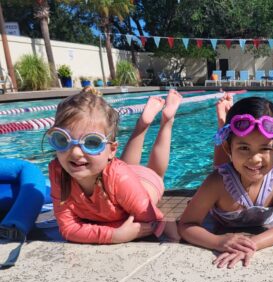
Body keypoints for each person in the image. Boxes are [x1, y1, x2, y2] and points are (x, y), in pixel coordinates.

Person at [48, 87, 182, 244]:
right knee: (123, 170)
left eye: (92, 142)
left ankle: (167, 120)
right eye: (62, 140)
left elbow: (157, 219)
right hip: (120, 178)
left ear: (112, 150)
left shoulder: (120, 178)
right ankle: (143, 123)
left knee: (156, 173)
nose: (76, 153)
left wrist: (175, 239)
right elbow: (67, 229)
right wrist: (113, 235)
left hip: (145, 183)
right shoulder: (58, 171)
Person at [178, 96, 273, 269]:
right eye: (244, 148)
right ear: (228, 148)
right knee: (221, 168)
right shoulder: (217, 182)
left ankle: (225, 124)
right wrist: (218, 241)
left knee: (237, 165)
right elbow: (185, 225)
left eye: (265, 148)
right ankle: (222, 123)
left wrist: (251, 244)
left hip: (237, 170)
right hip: (229, 177)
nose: (255, 159)